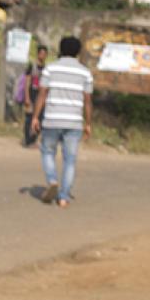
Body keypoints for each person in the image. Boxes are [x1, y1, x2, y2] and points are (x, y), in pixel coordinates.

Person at [30, 36, 93, 207]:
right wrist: (88, 123)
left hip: (52, 119)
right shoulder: (85, 72)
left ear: (60, 49)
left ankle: (52, 180)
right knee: (70, 160)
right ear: (78, 52)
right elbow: (87, 100)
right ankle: (63, 197)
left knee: (48, 152)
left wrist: (35, 117)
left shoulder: (51, 68)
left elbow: (42, 94)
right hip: (74, 123)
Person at [18, 48, 47, 148]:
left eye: (44, 54)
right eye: (41, 53)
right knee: (29, 118)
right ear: (38, 54)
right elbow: (27, 82)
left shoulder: (46, 69)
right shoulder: (32, 66)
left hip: (41, 96)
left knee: (40, 118)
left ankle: (33, 139)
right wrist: (27, 97)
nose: (42, 56)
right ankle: (27, 140)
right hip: (31, 94)